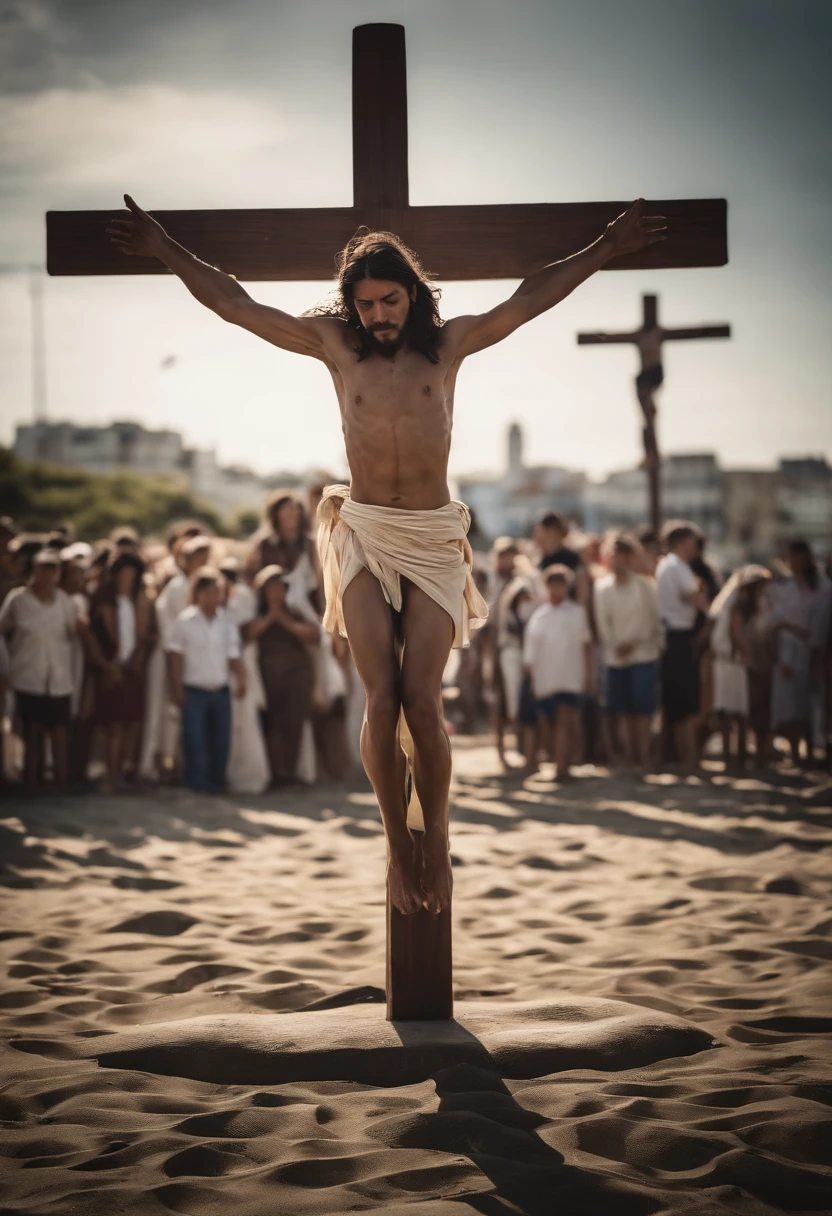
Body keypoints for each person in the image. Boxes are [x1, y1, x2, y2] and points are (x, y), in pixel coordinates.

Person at [108, 191, 666, 912]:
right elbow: (237, 304)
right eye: (366, 303)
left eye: (390, 300)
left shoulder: (451, 343)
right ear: (352, 305)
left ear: (412, 296)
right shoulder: (335, 345)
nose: (378, 315)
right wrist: (164, 249)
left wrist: (606, 248)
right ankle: (396, 848)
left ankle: (434, 836)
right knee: (381, 693)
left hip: (433, 537)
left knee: (423, 699)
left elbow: (530, 298)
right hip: (365, 530)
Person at [0, 548, 81, 792]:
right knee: (31, 731)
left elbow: (72, 633)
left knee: (59, 731)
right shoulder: (18, 599)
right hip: (27, 674)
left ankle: (61, 782)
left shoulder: (64, 601)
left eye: (51, 568)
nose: (46, 574)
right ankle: (31, 781)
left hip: (57, 675)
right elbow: (2, 630)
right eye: (42, 567)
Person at [165, 567, 246, 793]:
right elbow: (175, 657)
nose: (213, 597)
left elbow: (234, 655)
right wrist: (176, 687)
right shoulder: (184, 621)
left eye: (216, 592)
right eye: (208, 592)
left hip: (220, 690)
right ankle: (196, 783)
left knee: (221, 740)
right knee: (195, 740)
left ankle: (216, 782)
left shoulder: (227, 622)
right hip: (194, 691)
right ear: (198, 593)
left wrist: (242, 677)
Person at [244, 565, 320, 786]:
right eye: (271, 589)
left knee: (293, 723)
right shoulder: (256, 615)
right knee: (272, 724)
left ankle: (289, 771)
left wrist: (284, 621)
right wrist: (270, 617)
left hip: (296, 677)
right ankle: (275, 772)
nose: (276, 593)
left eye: (279, 588)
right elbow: (249, 634)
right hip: (268, 679)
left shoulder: (295, 612)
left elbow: (314, 636)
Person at [90, 552, 156, 792]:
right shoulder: (104, 602)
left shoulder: (140, 602)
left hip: (133, 670)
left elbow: (146, 637)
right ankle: (110, 775)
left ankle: (125, 774)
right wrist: (108, 666)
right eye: (124, 573)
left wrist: (137, 660)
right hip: (112, 668)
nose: (127, 578)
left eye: (132, 574)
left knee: (133, 724)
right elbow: (93, 638)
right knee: (114, 726)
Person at [594, 534, 661, 770]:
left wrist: (632, 642)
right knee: (622, 711)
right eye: (613, 556)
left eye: (621, 556)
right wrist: (616, 645)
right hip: (616, 658)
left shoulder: (645, 586)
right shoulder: (601, 588)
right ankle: (630, 758)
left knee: (642, 711)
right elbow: (603, 624)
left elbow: (653, 621)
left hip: (643, 655)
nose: (616, 561)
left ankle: (643, 758)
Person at [523, 566, 591, 781]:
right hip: (546, 680)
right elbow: (530, 653)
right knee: (549, 725)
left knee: (565, 719)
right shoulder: (539, 617)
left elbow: (586, 645)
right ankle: (560, 762)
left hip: (570, 677)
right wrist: (532, 679)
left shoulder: (577, 613)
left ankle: (562, 767)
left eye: (561, 585)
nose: (557, 589)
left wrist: (589, 676)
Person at [770, 539, 828, 765]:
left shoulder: (821, 586)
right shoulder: (783, 587)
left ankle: (812, 750)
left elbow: (819, 625)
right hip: (787, 651)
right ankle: (795, 752)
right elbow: (776, 623)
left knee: (810, 702)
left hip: (813, 650)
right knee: (789, 705)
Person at [656, 522, 709, 768]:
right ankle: (690, 759)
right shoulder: (678, 566)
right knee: (686, 703)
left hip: (670, 636)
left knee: (677, 702)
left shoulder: (665, 565)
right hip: (679, 636)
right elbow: (695, 598)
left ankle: (682, 757)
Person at [710, 565, 772, 769]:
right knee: (730, 713)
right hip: (730, 662)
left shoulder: (744, 606)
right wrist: (749, 656)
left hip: (734, 662)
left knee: (737, 713)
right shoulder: (736, 605)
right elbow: (735, 633)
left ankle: (739, 757)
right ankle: (733, 758)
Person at [495, 573, 538, 770]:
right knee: (510, 704)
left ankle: (528, 752)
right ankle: (509, 752)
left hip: (525, 657)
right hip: (510, 656)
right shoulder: (509, 615)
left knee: (525, 704)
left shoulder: (530, 611)